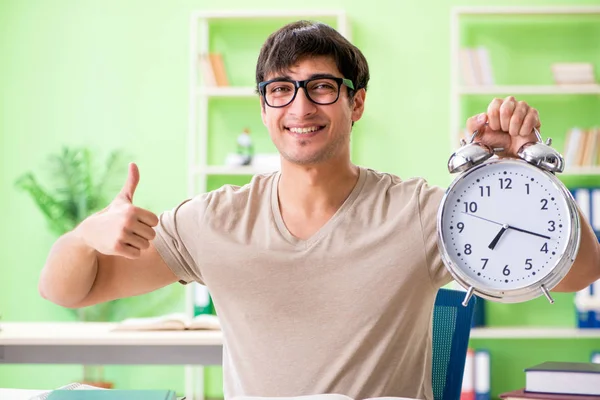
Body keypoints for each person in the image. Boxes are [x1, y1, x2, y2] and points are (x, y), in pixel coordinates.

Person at [38, 20, 600, 400]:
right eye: (280, 89)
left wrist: (523, 173)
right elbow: (70, 290)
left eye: (322, 87)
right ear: (263, 106)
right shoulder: (211, 222)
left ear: (356, 102)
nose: (300, 107)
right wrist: (85, 234)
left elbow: (580, 272)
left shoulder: (424, 214)